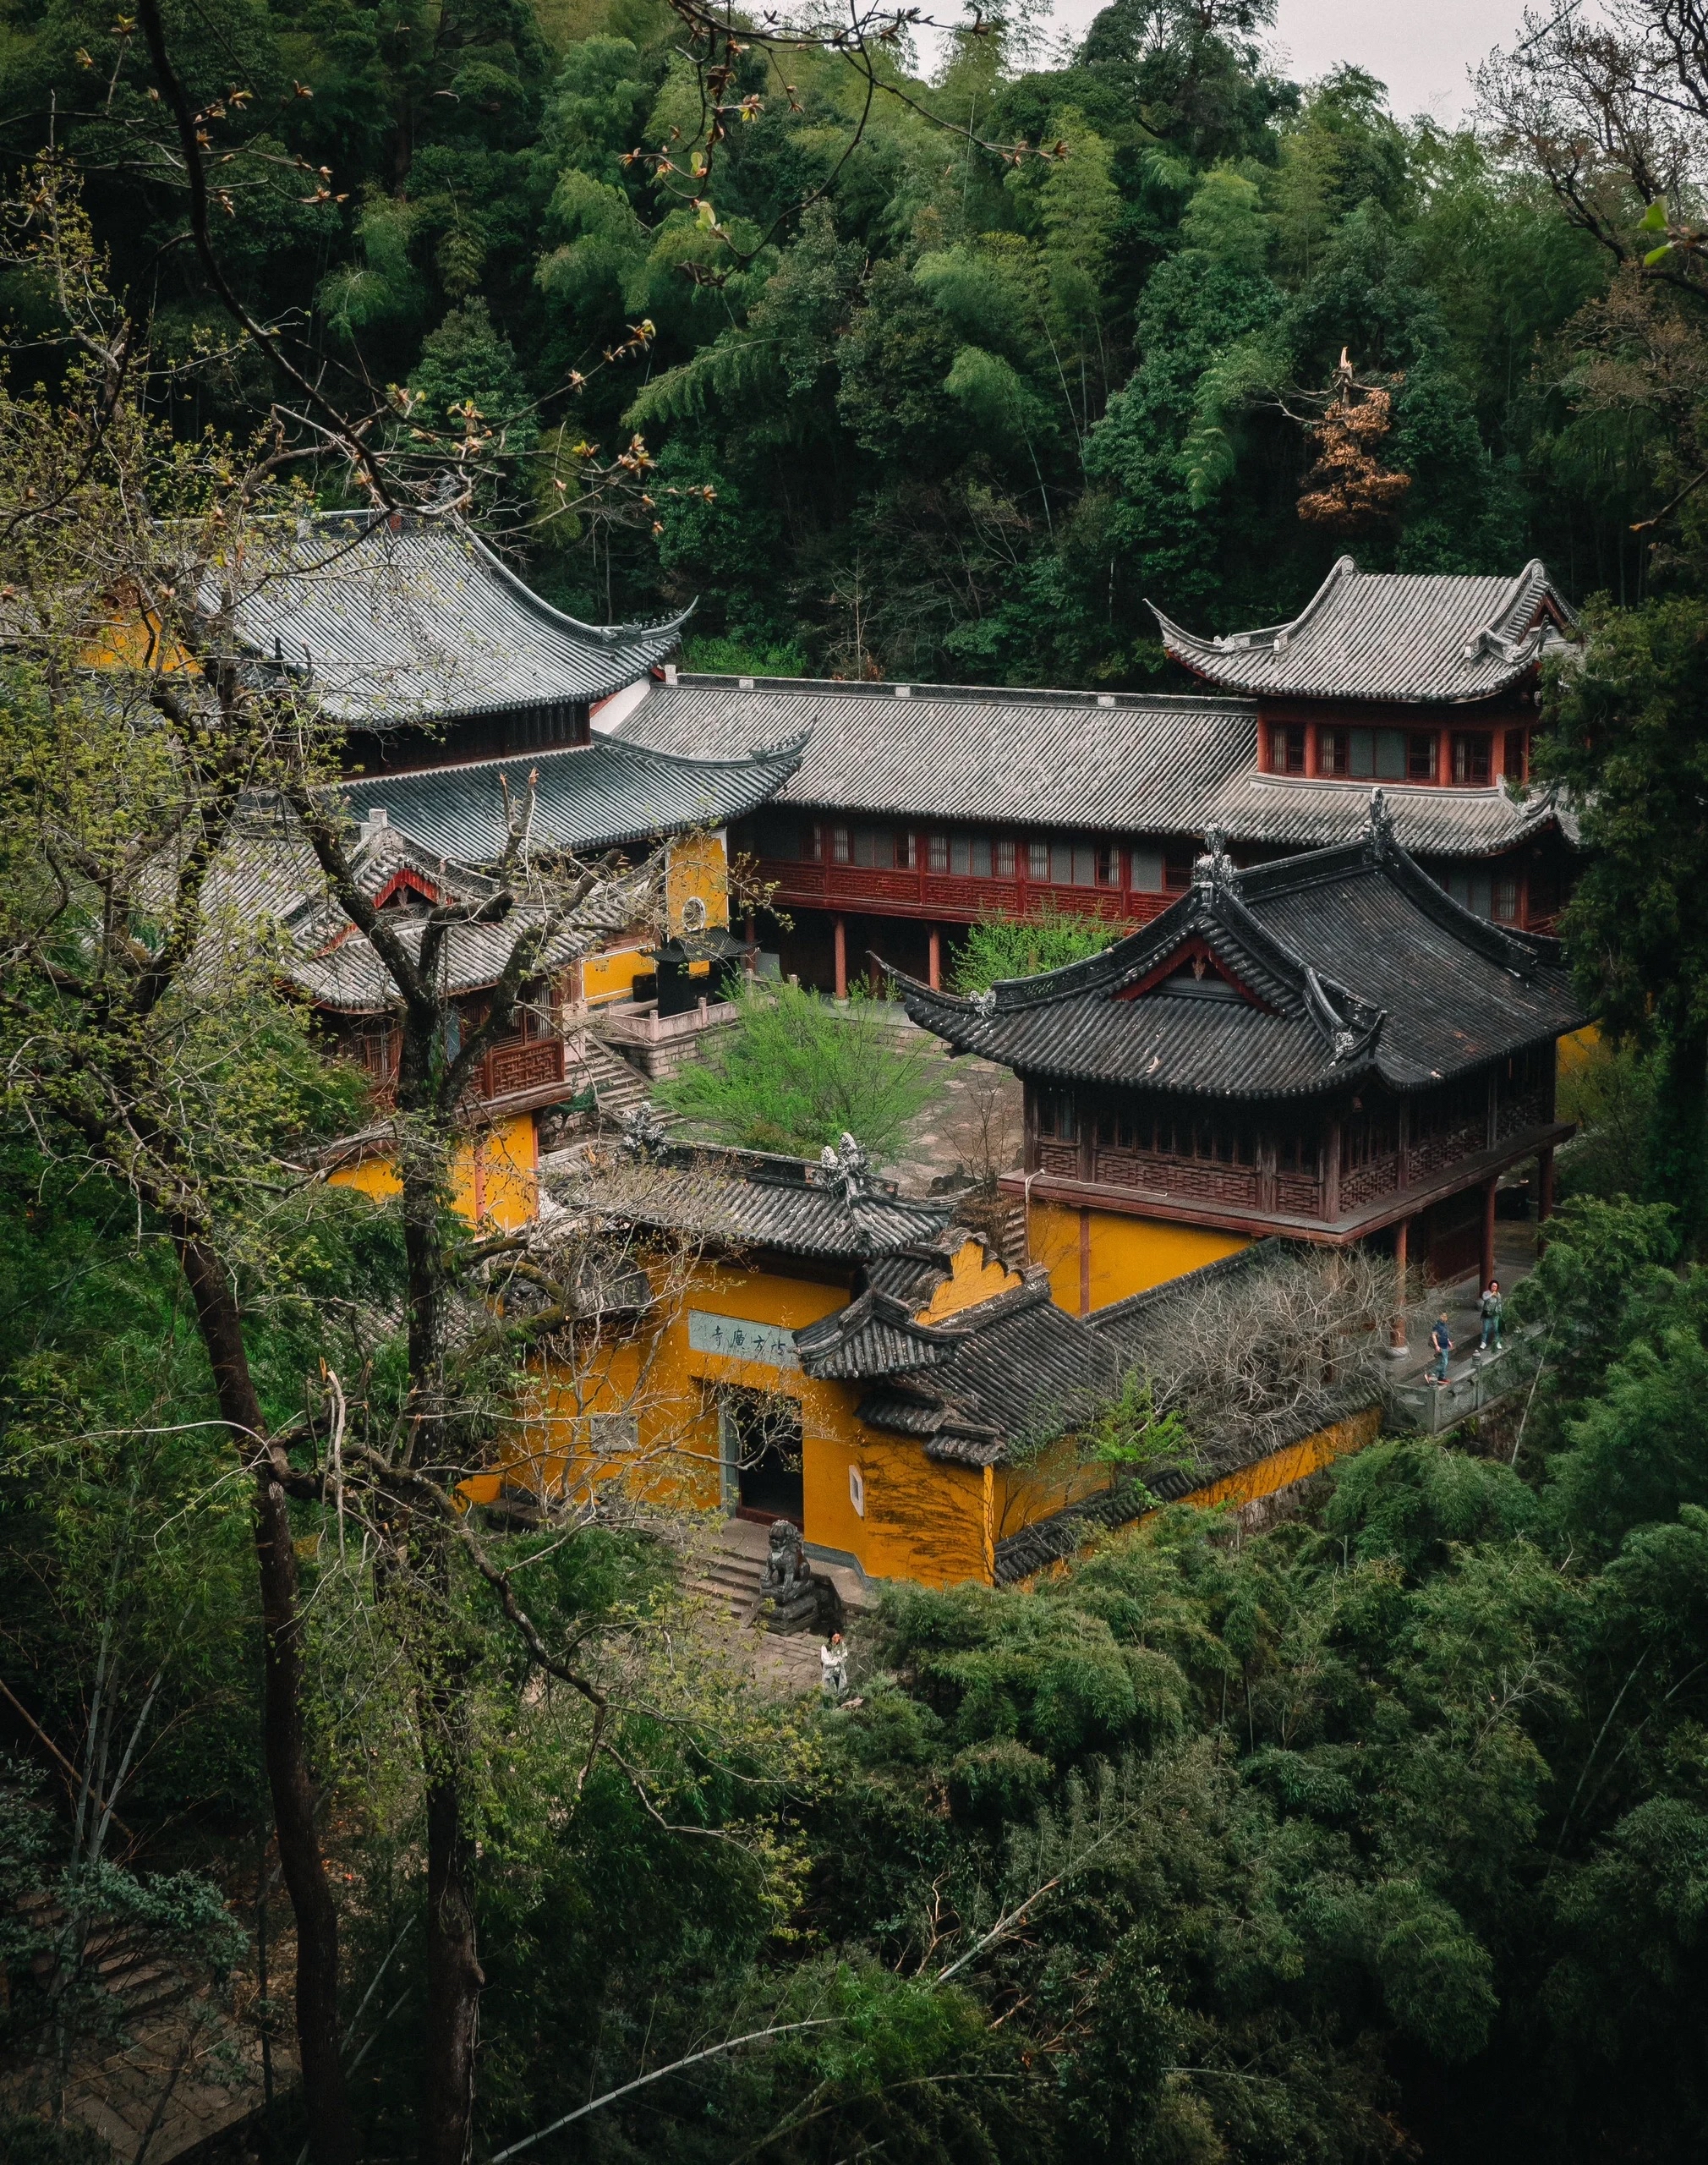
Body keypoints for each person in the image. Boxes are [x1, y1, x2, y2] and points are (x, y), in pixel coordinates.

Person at [820, 1631, 848, 1701]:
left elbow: (845, 1655)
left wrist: (840, 1660)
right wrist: (836, 1661)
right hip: (829, 1672)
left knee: (841, 1689)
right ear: (830, 1638)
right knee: (829, 1692)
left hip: (840, 1671)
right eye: (834, 1638)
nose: (837, 1639)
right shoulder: (825, 1647)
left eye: (838, 1637)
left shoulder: (841, 1644)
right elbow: (826, 1662)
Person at [1480, 1278, 1504, 1354]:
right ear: (1490, 1286)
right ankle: (1483, 1342)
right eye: (1493, 1286)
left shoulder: (1498, 1295)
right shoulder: (1486, 1293)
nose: (1494, 1288)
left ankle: (1498, 1342)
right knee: (1485, 1328)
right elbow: (1484, 1299)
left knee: (1496, 1329)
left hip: (1495, 1314)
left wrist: (1500, 1312)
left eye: (1495, 1287)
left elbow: (1499, 1304)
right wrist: (1491, 1295)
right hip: (1487, 1313)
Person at [1428, 1312, 1453, 1383]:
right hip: (1441, 1345)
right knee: (1444, 1362)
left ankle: (1442, 1376)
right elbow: (1433, 1335)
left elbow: (1445, 1334)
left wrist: (1448, 1341)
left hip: (1445, 1345)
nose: (1444, 1318)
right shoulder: (1438, 1326)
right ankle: (1432, 1373)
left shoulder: (1444, 1325)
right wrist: (1436, 1346)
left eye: (1445, 1316)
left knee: (1444, 1361)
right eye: (1442, 1316)